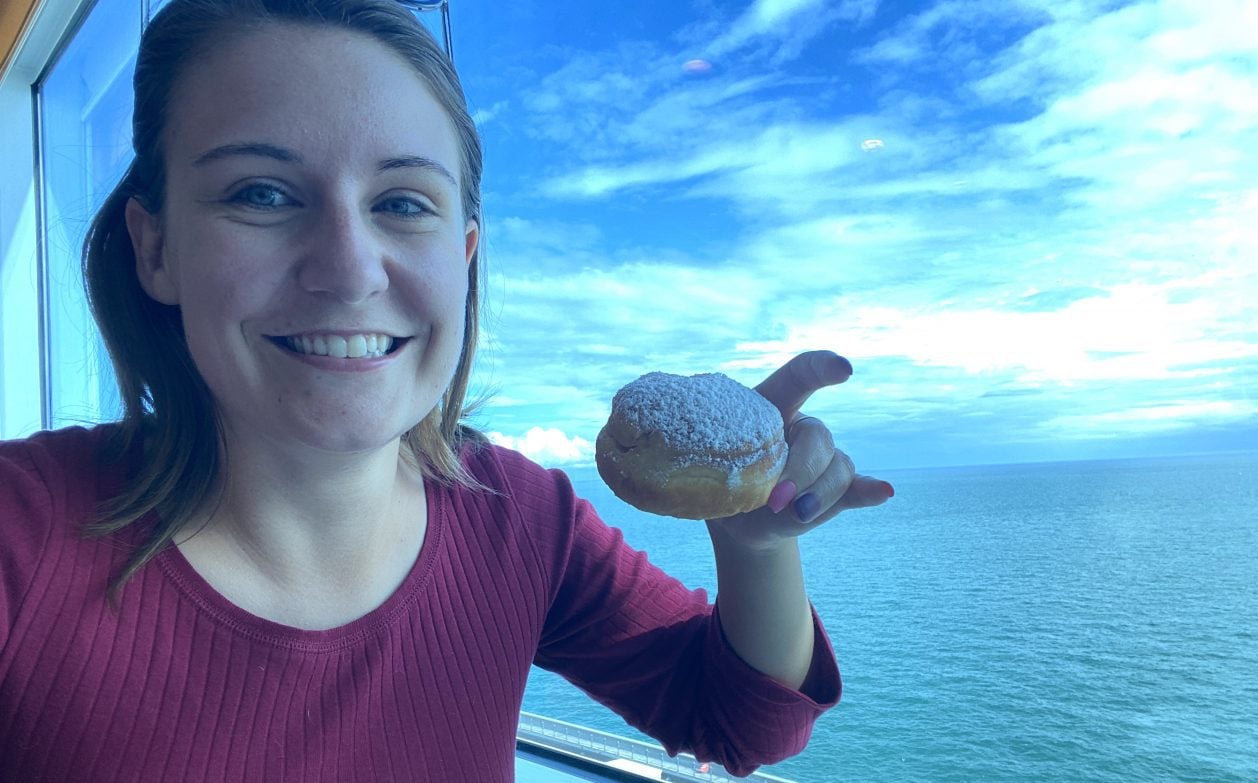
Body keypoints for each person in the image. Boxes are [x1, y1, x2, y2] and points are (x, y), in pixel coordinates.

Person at [0, 0, 894, 780]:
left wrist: (755, 541)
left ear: (463, 256)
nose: (349, 271)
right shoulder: (20, 537)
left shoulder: (521, 517)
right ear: (156, 248)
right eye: (263, 193)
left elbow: (741, 720)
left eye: (402, 202)